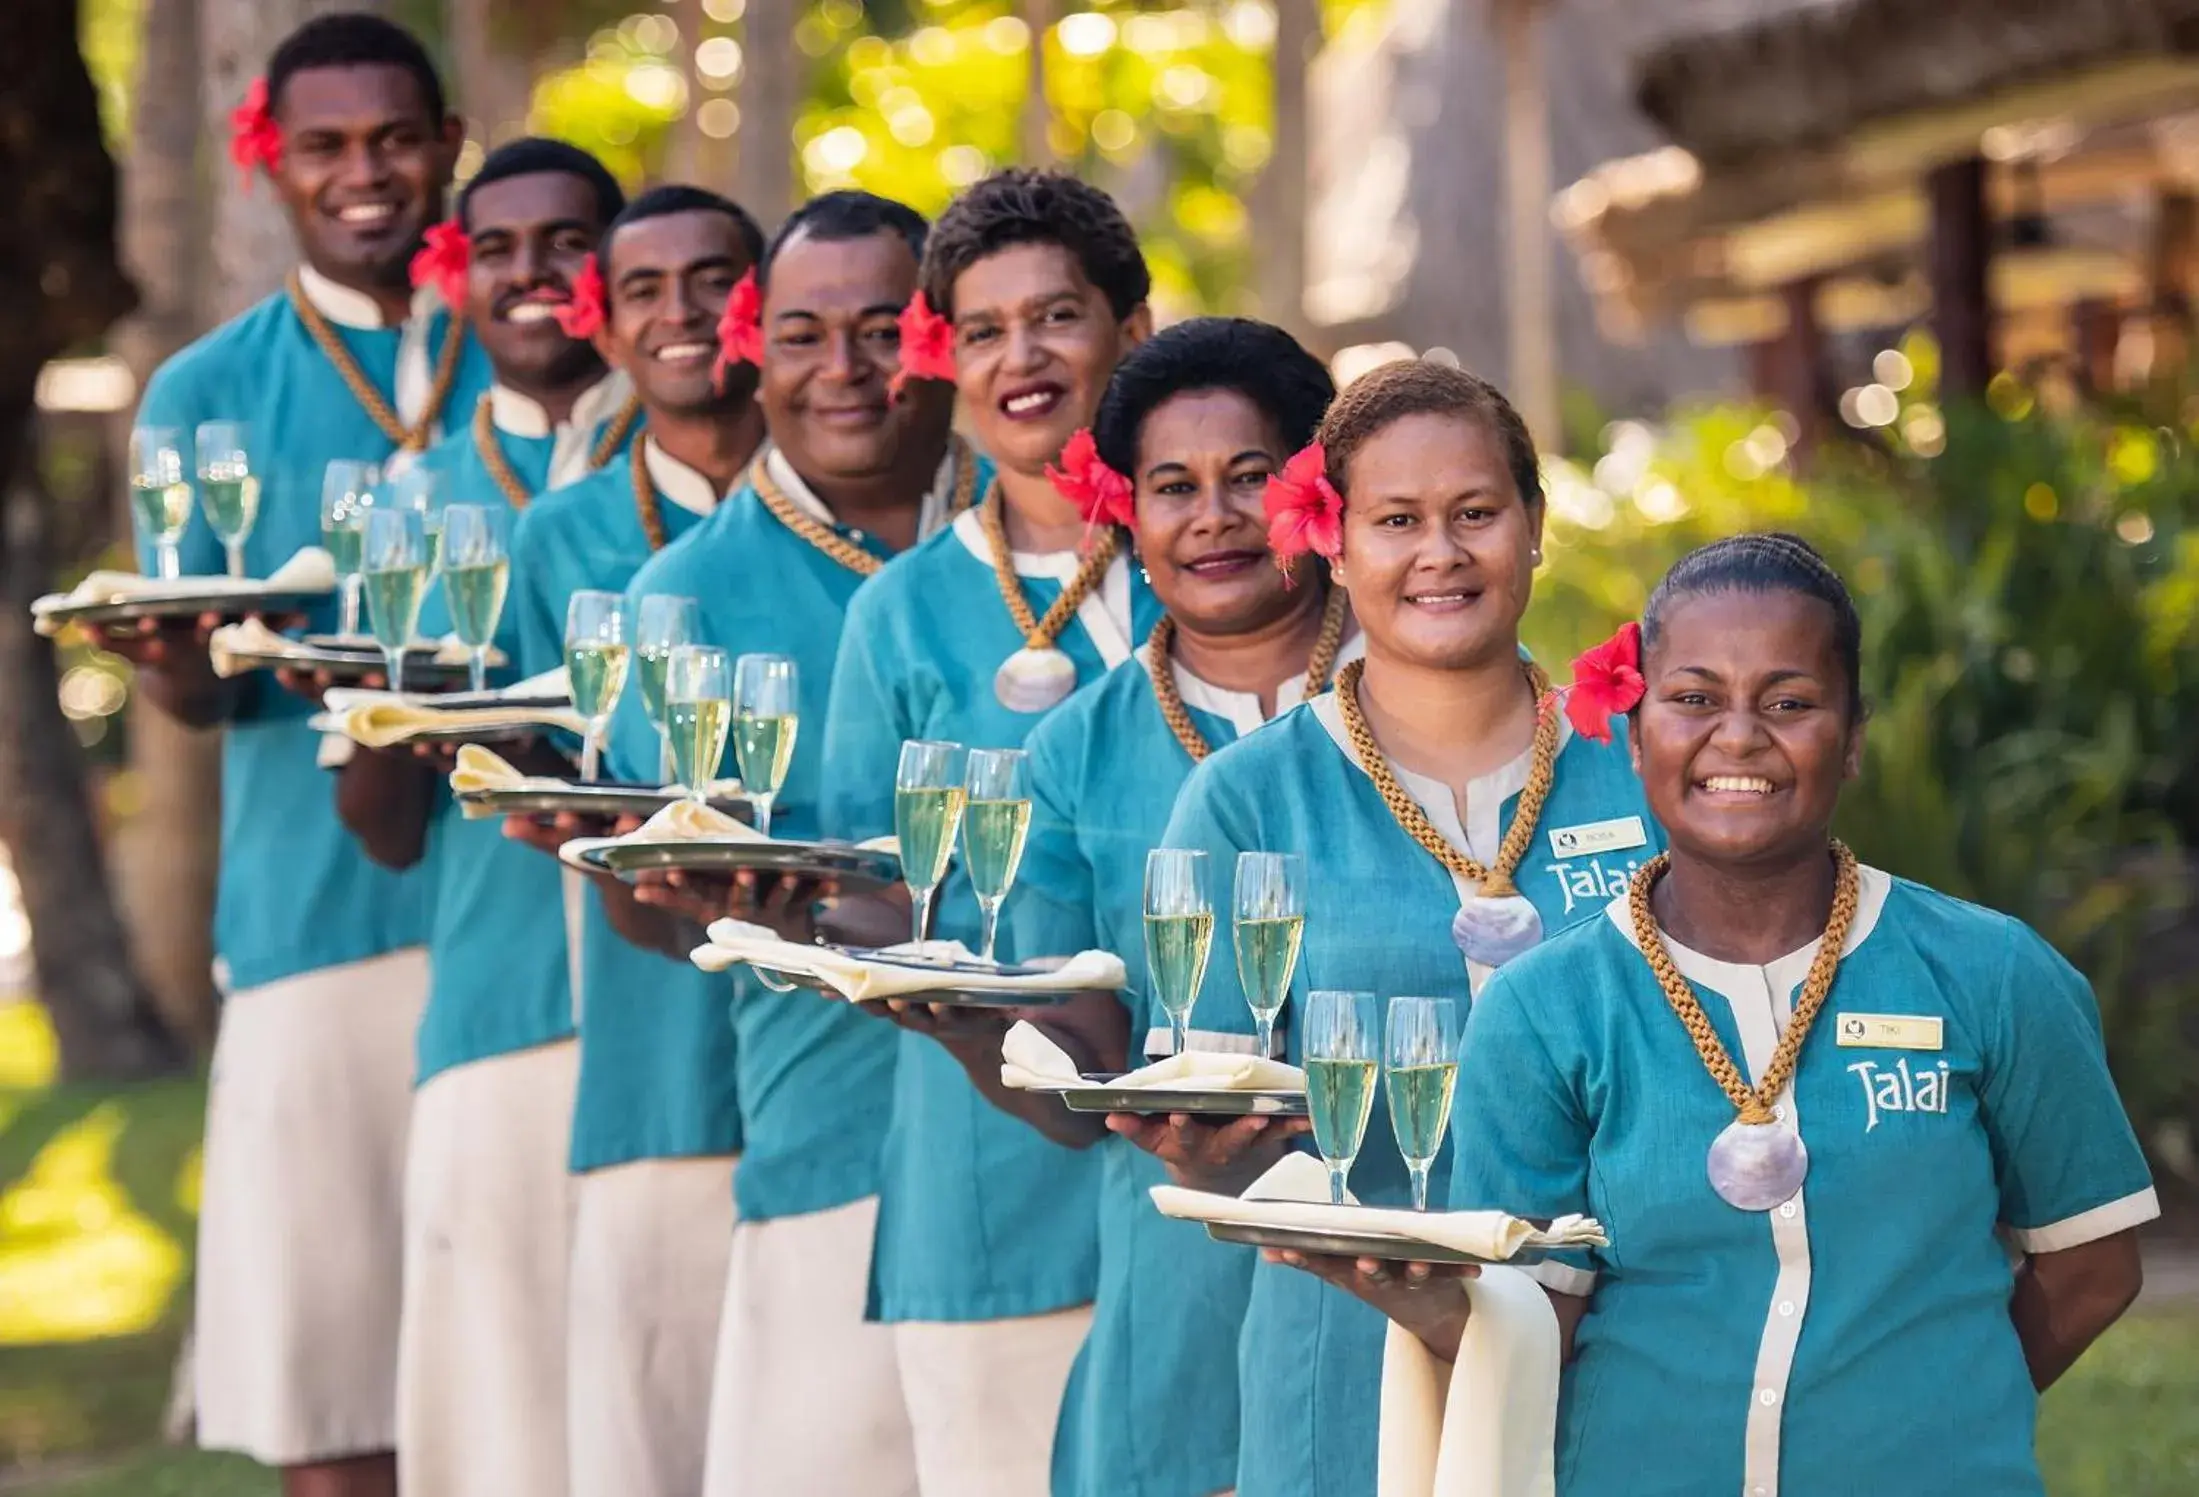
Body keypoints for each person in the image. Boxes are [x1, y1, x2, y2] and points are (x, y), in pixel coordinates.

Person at [1339, 534, 2156, 1496]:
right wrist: (1408, 1293)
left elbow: (2091, 1264)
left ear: (1851, 736)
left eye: (1789, 701)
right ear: (1637, 736)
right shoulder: (1545, 1007)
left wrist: (1936, 1414)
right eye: (1692, 698)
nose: (1738, 735)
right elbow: (1530, 1325)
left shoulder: (1991, 973)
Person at [1149, 358, 1661, 1497]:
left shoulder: (1638, 770)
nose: (1440, 552)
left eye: (1476, 513)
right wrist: (1197, 1138)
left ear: (1534, 526)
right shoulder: (1243, 800)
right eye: (1396, 520)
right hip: (1348, 1352)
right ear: (1332, 542)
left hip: (1621, 1340)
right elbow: (1210, 1091)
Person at [98, 15, 486, 1496]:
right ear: (269, 162)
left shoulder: (531, 339)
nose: (365, 174)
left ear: (445, 142)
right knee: (330, 1400)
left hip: (529, 919)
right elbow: (192, 693)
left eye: (394, 138)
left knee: (523, 1378)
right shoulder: (205, 391)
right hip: (313, 926)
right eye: (323, 146)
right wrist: (177, 667)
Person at [596, 188, 977, 1497]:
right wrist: (685, 895)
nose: (844, 371)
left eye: (883, 330)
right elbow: (654, 899)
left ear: (938, 341)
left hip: (1048, 1135)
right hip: (829, 1131)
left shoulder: (1038, 550)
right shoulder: (680, 596)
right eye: (804, 334)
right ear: (755, 345)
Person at [817, 168, 1156, 1495]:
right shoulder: (899, 616)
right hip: (995, 1173)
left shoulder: (1249, 572)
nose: (1021, 356)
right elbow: (864, 885)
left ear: (1131, 331)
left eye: (1057, 316)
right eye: (982, 329)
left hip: (1245, 1164)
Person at [995, 317, 1349, 1497]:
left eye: (1252, 478)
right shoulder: (1074, 749)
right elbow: (1064, 1045)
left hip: (1413, 1246)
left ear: (1321, 491)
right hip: (1184, 1262)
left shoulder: (1424, 705)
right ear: (1124, 515)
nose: (1213, 517)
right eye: (1173, 487)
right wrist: (966, 1017)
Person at [325, 134, 630, 1497]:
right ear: (453, 273)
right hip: (496, 1011)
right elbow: (382, 828)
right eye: (494, 247)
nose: (530, 274)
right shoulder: (411, 498)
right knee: (501, 1425)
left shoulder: (701, 458)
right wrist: (409, 700)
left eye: (565, 243)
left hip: (680, 1018)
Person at [499, 182, 768, 1497]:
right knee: (648, 1453)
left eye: (713, 278)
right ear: (601, 326)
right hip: (651, 1061)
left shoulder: (885, 509)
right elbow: (522, 759)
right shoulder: (558, 537)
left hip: (856, 1061)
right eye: (644, 289)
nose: (682, 314)